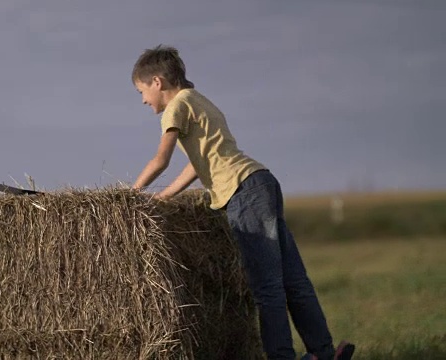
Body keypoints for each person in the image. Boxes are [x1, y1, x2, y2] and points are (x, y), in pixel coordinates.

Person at [129, 44, 355, 360]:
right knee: (293, 281)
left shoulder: (176, 108)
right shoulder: (199, 101)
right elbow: (198, 164)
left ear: (157, 82)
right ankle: (324, 353)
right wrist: (164, 196)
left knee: (267, 288)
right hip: (260, 181)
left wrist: (129, 195)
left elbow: (160, 159)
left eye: (141, 91)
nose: (142, 99)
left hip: (243, 192)